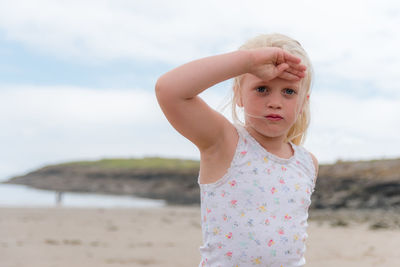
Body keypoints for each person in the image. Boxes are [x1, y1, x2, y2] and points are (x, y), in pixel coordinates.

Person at [155, 33, 319, 267]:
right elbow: (169, 90)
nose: (275, 102)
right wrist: (248, 62)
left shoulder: (307, 162)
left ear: (303, 103)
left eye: (289, 92)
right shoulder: (224, 142)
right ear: (238, 95)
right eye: (262, 89)